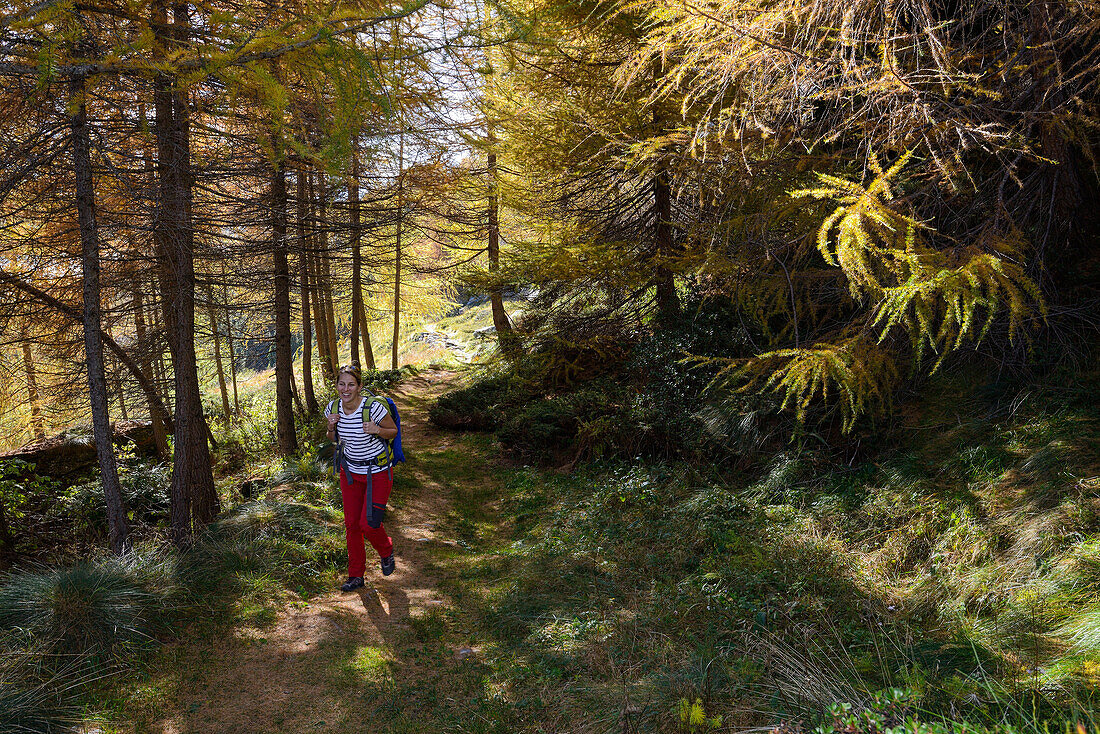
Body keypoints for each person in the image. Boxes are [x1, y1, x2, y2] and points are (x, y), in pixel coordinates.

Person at [325, 364, 399, 591]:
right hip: (349, 474)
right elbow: (333, 439)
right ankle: (355, 575)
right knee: (351, 525)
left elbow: (393, 430)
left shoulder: (373, 408)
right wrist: (330, 426)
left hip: (377, 473)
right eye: (341, 384)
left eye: (351, 384)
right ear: (336, 385)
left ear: (359, 386)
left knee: (369, 524)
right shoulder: (332, 408)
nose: (345, 389)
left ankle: (386, 551)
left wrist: (377, 430)